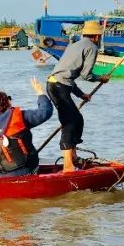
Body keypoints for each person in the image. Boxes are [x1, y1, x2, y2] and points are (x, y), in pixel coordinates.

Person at [46, 20, 109, 173]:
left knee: (77, 119)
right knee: (69, 123)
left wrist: (82, 95)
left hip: (54, 84)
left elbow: (67, 74)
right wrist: (101, 78)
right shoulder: (92, 47)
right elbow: (85, 75)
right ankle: (68, 166)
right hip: (60, 87)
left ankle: (73, 157)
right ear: (96, 36)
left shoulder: (74, 45)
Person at [0, 77, 54, 176]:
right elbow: (45, 112)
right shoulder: (19, 117)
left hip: (4, 171)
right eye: (9, 98)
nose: (11, 100)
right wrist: (40, 92)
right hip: (27, 168)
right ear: (6, 102)